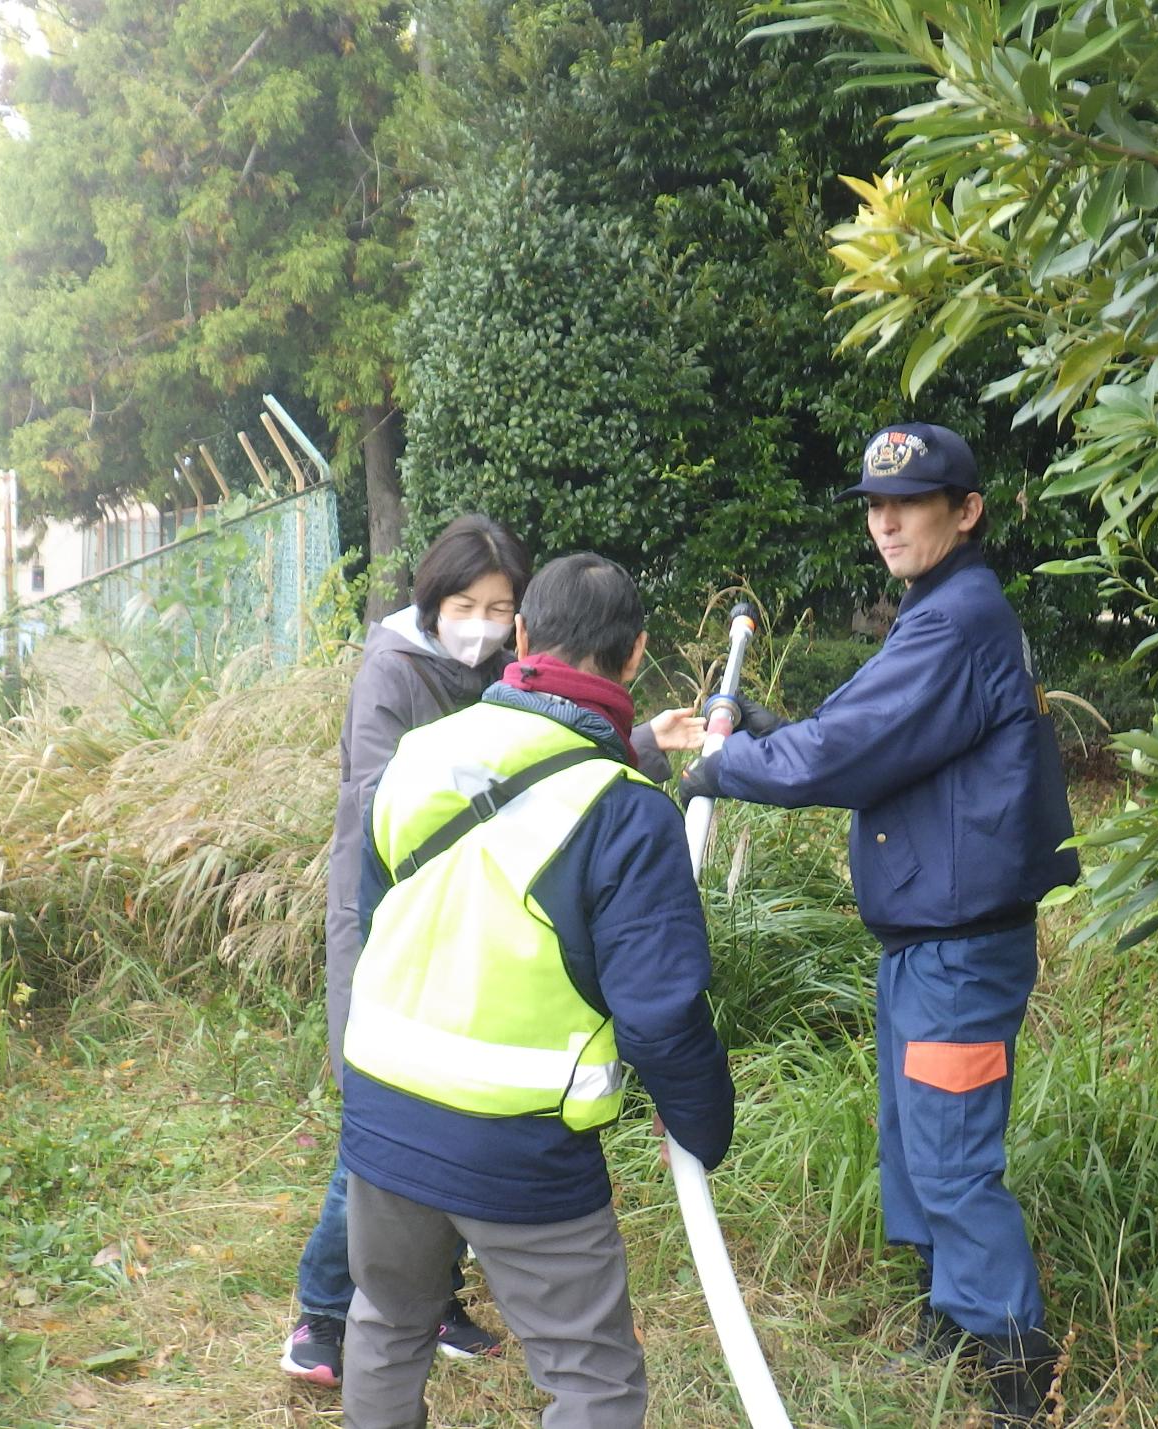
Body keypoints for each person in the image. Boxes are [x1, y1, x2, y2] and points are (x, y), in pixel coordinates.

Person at [680, 423, 1079, 1424]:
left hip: (959, 951)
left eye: (909, 503)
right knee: (915, 1145)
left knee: (950, 1159)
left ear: (966, 511)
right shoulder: (936, 611)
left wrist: (725, 766)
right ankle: (954, 1320)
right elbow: (867, 735)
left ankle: (1017, 1376)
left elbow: (843, 753)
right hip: (927, 946)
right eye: (874, 505)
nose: (886, 522)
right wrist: (767, 733)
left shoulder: (955, 622)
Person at [285, 523, 703, 1386]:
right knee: (585, 1370)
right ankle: (320, 1312)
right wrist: (701, 1120)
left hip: (425, 1038)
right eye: (462, 605)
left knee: (390, 1302)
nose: (479, 627)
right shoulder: (401, 685)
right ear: (635, 655)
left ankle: (402, 1310)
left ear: (521, 629)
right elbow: (659, 1014)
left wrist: (639, 748)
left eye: (496, 609)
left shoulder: (460, 724)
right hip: (486, 1080)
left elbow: (527, 780)